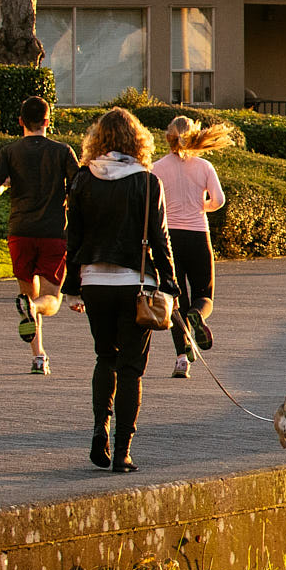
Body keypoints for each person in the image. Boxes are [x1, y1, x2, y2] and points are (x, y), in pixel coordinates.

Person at [63, 107, 177, 474]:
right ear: (138, 141)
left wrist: (72, 287)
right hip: (137, 285)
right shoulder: (147, 181)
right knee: (131, 369)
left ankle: (100, 428)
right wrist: (171, 283)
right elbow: (160, 238)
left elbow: (73, 237)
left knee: (104, 357)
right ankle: (123, 452)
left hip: (94, 282)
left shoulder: (82, 179)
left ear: (98, 140)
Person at [0, 94, 77, 376]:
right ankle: (34, 309)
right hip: (52, 232)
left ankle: (39, 357)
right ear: (48, 121)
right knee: (50, 299)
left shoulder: (9, 152)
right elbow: (78, 186)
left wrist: (6, 186)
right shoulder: (62, 151)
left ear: (21, 121)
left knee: (27, 294)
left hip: (20, 231)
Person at [151, 116, 231, 379]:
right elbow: (218, 200)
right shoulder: (204, 167)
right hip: (198, 233)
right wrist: (201, 207)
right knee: (204, 294)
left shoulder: (156, 168)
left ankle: (182, 358)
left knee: (174, 299)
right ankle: (198, 315)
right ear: (195, 136)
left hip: (169, 238)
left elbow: (150, 206)